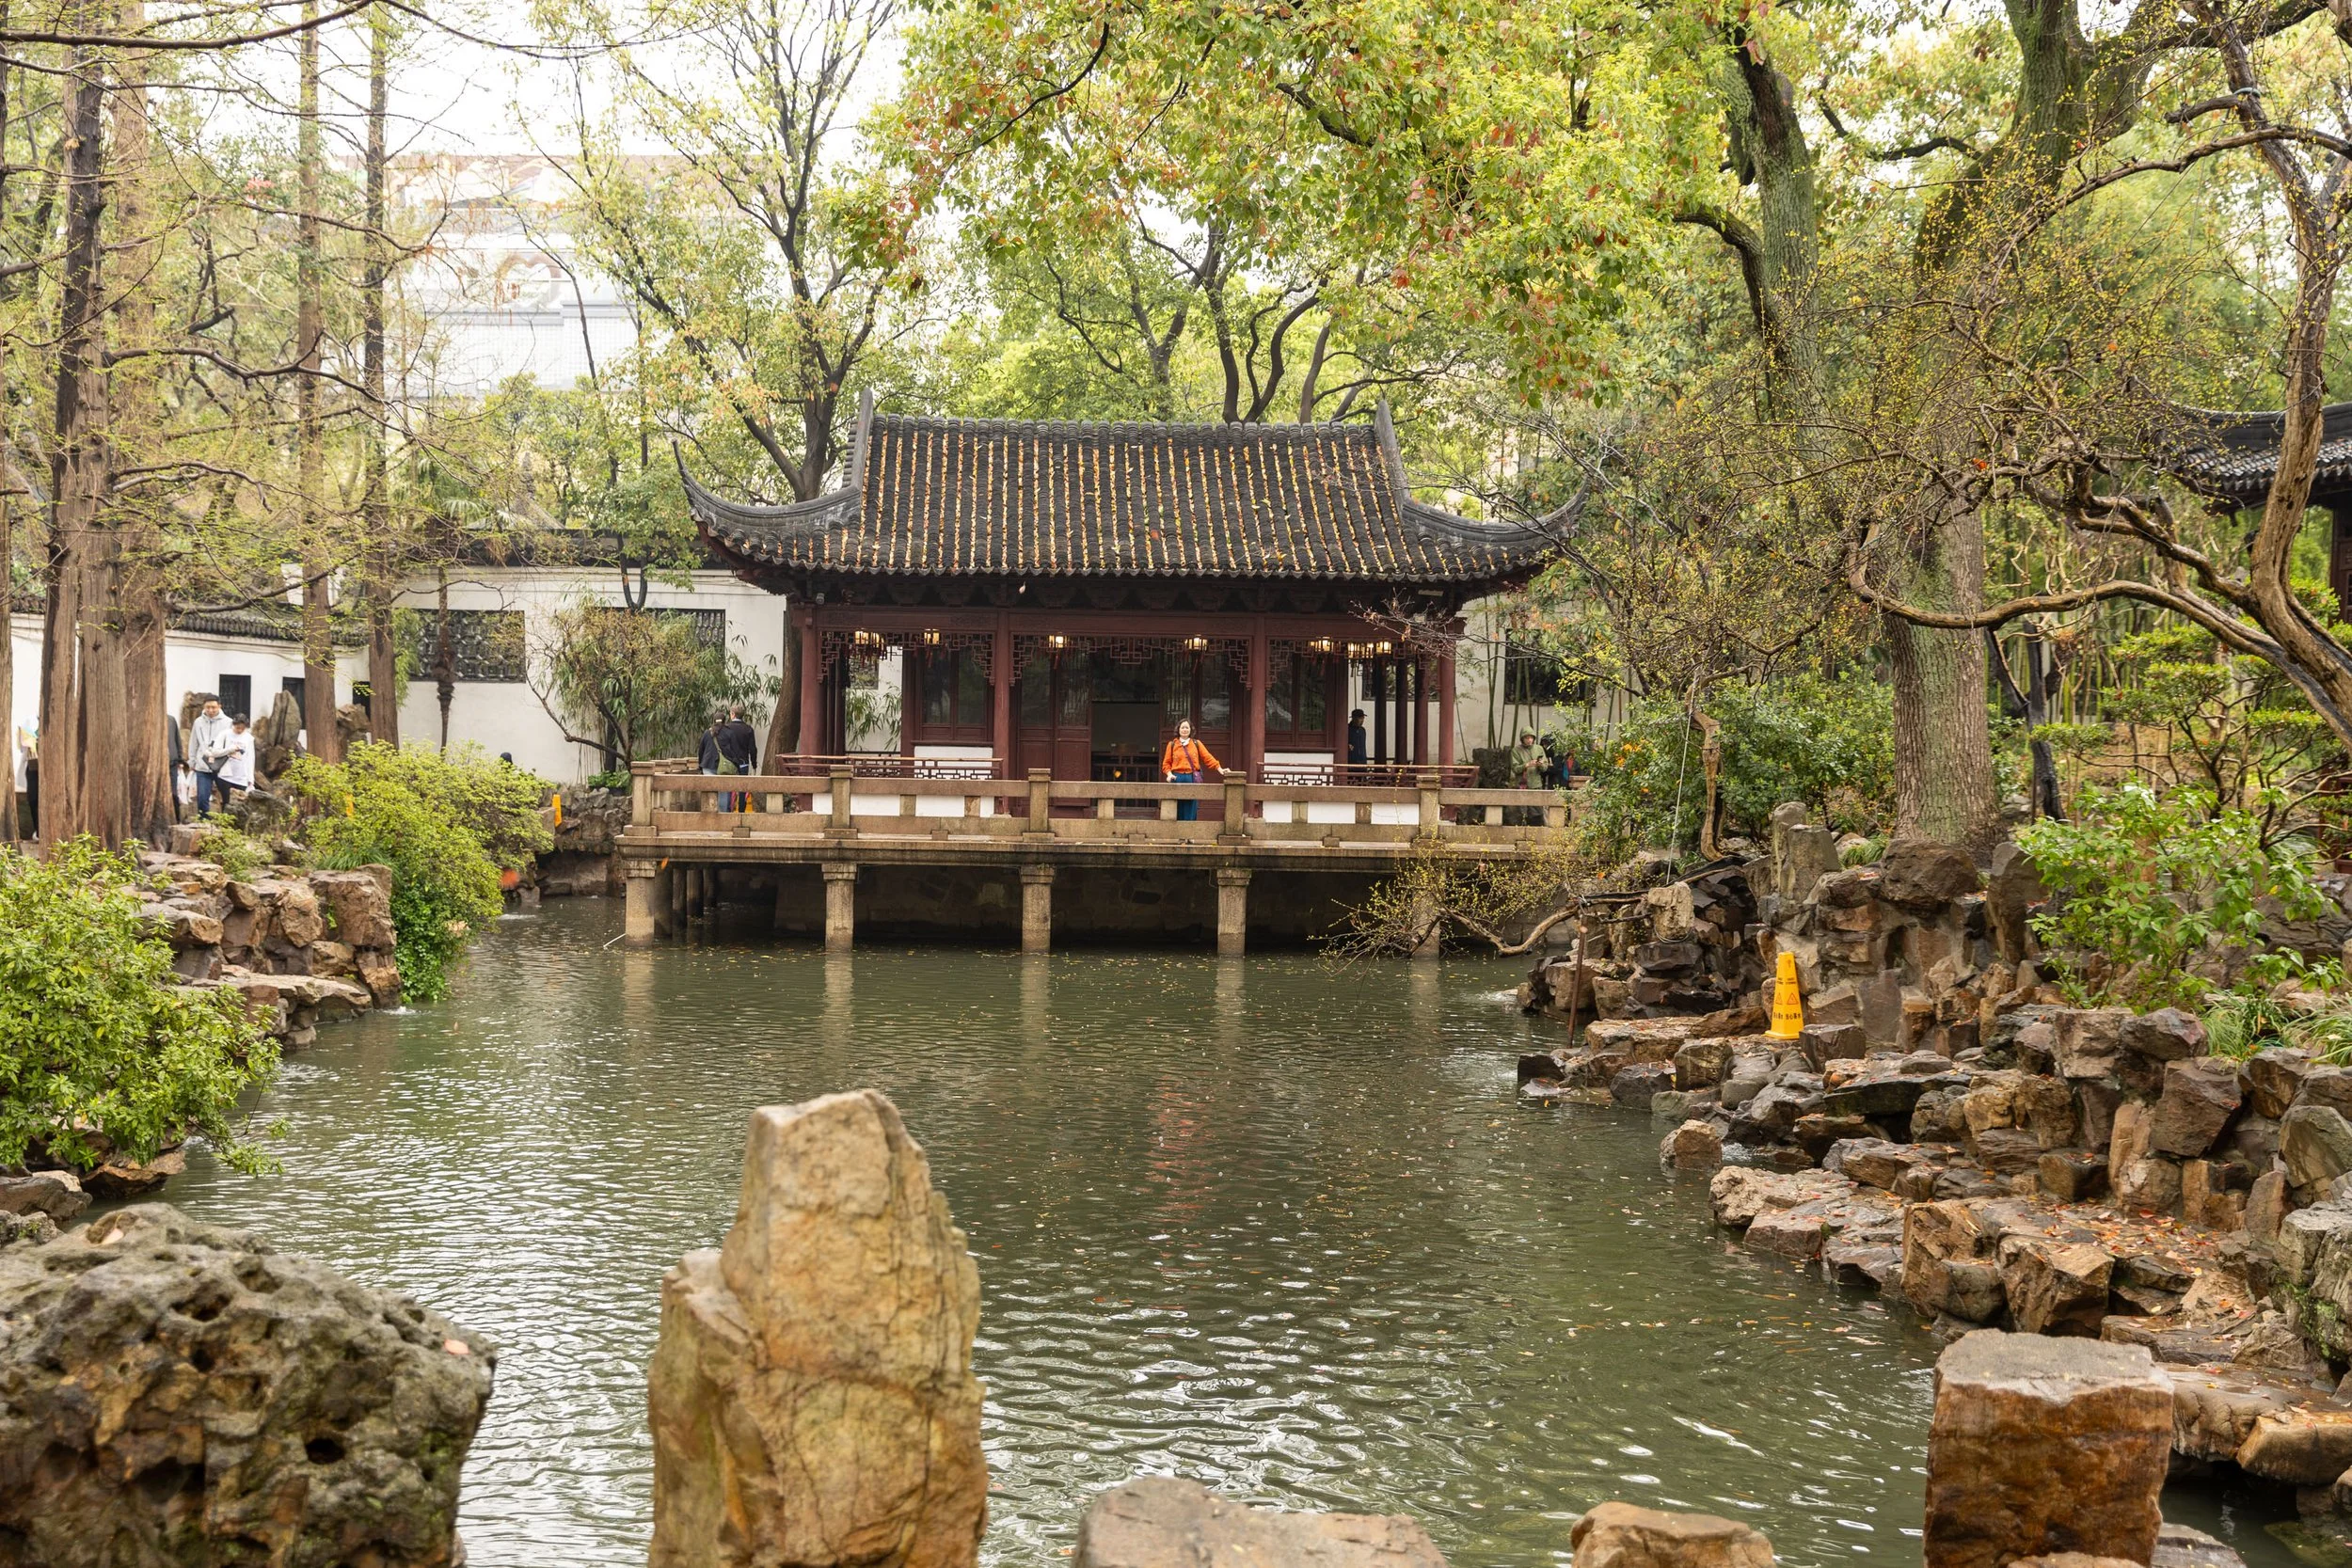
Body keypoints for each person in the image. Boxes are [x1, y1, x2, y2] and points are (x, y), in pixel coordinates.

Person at [1160, 719, 1224, 822]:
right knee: (1179, 805)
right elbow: (1166, 763)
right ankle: (1181, 835)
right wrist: (1169, 774)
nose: (1184, 729)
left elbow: (1207, 757)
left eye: (1187, 727)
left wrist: (1219, 768)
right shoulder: (1172, 745)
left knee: (1191, 805)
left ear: (1190, 730)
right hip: (1177, 777)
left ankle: (1190, 835)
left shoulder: (1196, 743)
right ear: (1178, 729)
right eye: (1182, 727)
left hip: (1191, 777)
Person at [188, 697, 231, 816]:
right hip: (202, 765)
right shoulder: (198, 722)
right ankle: (204, 821)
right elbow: (194, 742)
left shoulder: (228, 722)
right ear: (204, 707)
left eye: (213, 707)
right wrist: (192, 761)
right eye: (208, 707)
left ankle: (226, 822)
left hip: (221, 765)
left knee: (226, 796)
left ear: (219, 706)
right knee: (202, 797)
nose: (210, 710)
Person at [714, 704, 759, 811]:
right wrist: (754, 763)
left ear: (733, 714)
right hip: (743, 762)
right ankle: (741, 811)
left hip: (729, 762)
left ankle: (728, 809)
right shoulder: (748, 729)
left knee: (728, 787)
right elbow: (753, 749)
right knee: (742, 787)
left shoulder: (726, 728)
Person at [214, 715, 256, 811]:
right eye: (237, 728)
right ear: (233, 725)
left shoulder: (249, 738)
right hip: (225, 775)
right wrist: (229, 750)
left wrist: (250, 779)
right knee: (226, 802)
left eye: (242, 728)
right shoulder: (225, 734)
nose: (240, 730)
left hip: (241, 776)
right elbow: (215, 752)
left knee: (240, 805)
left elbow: (250, 758)